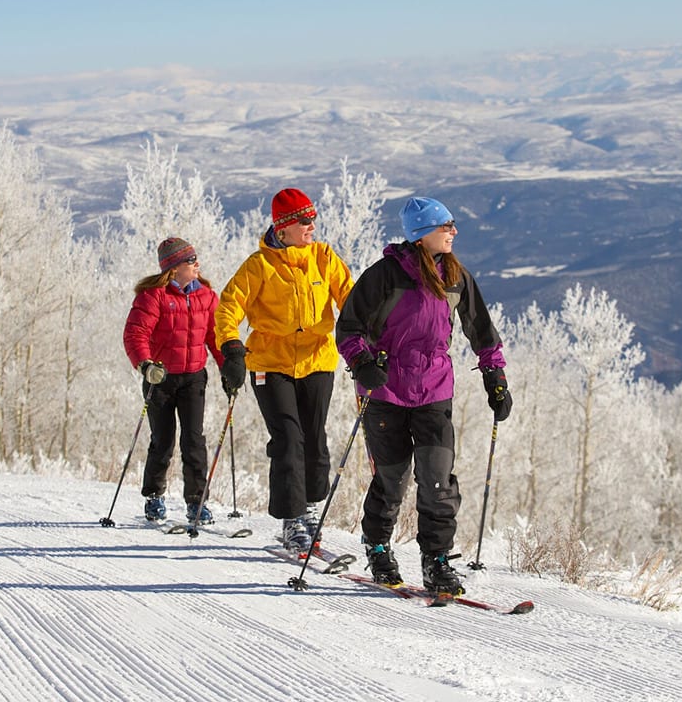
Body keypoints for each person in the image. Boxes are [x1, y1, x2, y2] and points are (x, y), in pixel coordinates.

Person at [334, 197, 513, 596]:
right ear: (421, 234)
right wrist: (362, 363)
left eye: (452, 224)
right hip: (385, 389)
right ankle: (378, 546)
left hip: (434, 389)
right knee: (392, 477)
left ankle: (436, 560)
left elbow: (481, 330)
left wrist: (495, 376)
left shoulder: (455, 276)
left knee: (437, 479)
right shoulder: (384, 276)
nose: (453, 231)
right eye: (445, 225)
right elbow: (348, 329)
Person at [215, 188, 354, 554]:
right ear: (285, 226)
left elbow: (350, 300)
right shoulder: (259, 266)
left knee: (315, 441)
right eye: (305, 220)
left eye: (313, 219)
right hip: (270, 364)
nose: (313, 226)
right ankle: (292, 520)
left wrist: (368, 336)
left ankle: (310, 509)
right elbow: (229, 306)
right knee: (289, 440)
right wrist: (231, 346)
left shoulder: (324, 257)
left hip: (317, 361)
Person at [123, 237, 225, 526]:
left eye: (195, 259)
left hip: (193, 377)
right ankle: (154, 496)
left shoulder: (206, 295)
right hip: (161, 378)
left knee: (194, 440)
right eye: (191, 261)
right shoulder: (153, 296)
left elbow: (215, 338)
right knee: (163, 440)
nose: (197, 264)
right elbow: (135, 334)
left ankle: (196, 502)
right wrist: (145, 365)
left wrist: (226, 367)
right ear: (174, 268)